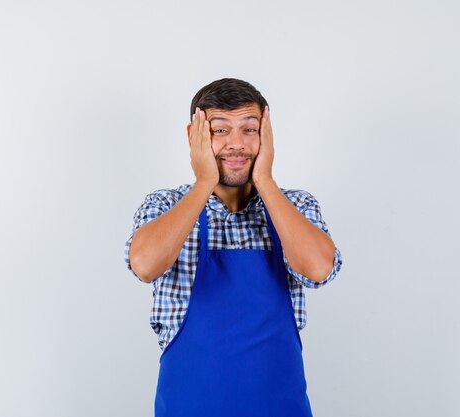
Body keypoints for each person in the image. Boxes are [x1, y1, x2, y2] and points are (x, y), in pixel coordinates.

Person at [124, 78, 343, 416]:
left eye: (249, 130)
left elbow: (318, 269)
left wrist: (266, 181)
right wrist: (204, 182)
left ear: (266, 137)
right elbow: (144, 264)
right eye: (220, 131)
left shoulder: (296, 206)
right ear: (193, 137)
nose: (236, 144)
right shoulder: (165, 205)